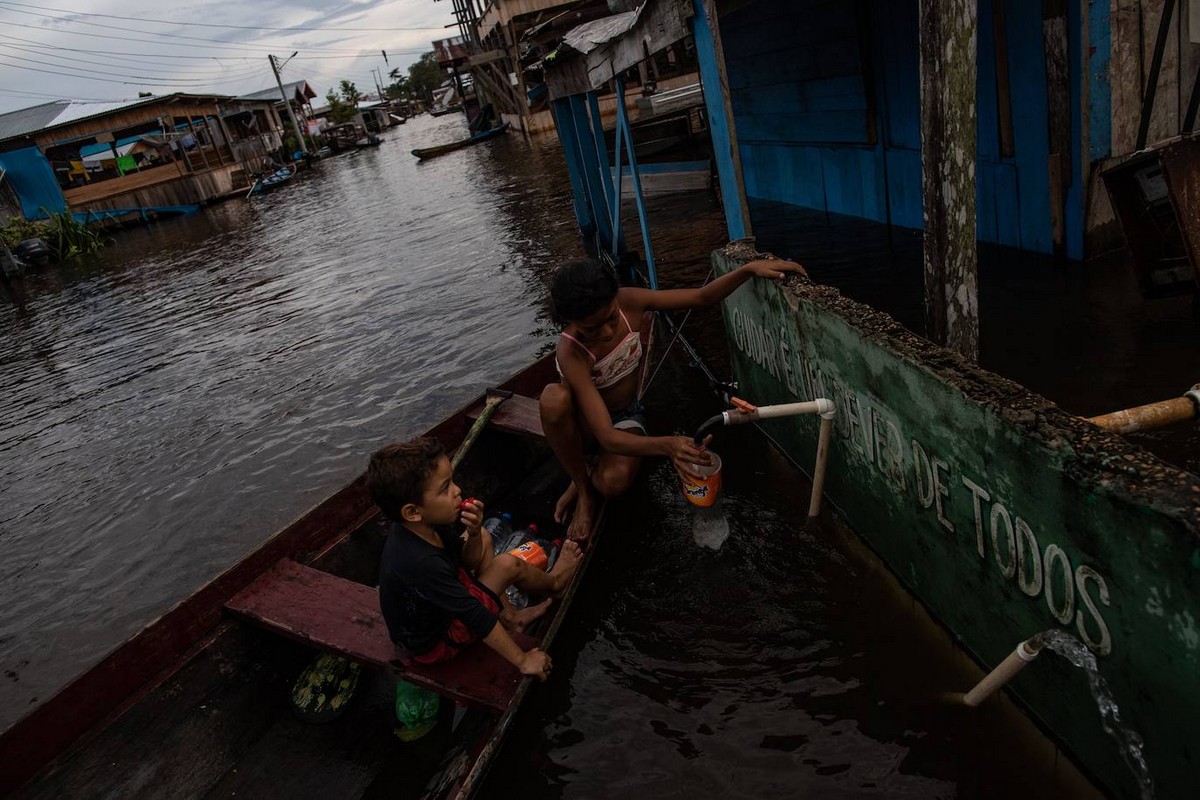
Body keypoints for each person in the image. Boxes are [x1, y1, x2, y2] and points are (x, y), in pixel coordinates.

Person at [540, 257, 807, 540]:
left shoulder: (628, 300)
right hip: (584, 426)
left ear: (615, 298)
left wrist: (747, 270)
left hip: (624, 414)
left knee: (613, 484)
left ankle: (584, 470)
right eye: (592, 329)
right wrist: (668, 445)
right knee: (552, 398)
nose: (606, 333)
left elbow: (702, 297)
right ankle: (582, 488)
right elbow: (605, 435)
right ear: (571, 321)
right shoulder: (572, 351)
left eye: (610, 319)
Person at [367, 437, 581, 680]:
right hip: (436, 644)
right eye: (445, 488)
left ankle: (511, 617)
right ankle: (556, 584)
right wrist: (523, 660)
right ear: (413, 512)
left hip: (437, 613)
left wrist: (473, 532)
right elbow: (474, 615)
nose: (457, 490)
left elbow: (469, 561)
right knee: (507, 564)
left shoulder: (425, 524)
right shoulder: (421, 562)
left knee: (485, 536)